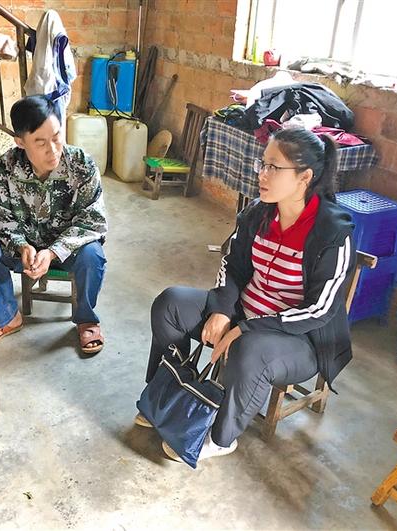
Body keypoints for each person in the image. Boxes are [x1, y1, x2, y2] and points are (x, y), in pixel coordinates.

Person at [138, 128, 355, 462]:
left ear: (305, 176)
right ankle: (166, 392)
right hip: (245, 312)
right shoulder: (259, 212)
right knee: (171, 304)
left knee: (249, 348)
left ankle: (221, 438)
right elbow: (232, 264)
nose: (261, 174)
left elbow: (320, 310)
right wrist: (223, 310)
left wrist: (245, 328)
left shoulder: (333, 232)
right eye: (262, 164)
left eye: (273, 167)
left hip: (298, 338)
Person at [0, 95, 108, 355]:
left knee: (93, 255)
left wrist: (53, 252)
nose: (53, 149)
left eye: (57, 136)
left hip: (66, 250)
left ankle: (86, 320)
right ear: (20, 142)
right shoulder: (6, 168)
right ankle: (8, 316)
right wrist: (21, 245)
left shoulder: (81, 164)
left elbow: (93, 220)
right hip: (24, 251)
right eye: (40, 142)